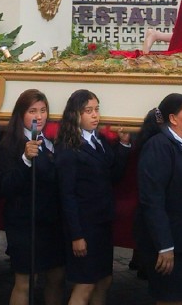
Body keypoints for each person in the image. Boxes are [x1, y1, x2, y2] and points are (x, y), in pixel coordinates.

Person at [135, 93, 182, 305]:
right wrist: (165, 246)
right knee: (173, 298)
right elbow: (152, 200)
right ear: (173, 118)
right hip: (174, 243)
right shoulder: (159, 146)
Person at [55, 89, 130, 305]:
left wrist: (124, 145)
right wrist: (76, 235)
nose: (95, 115)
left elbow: (112, 174)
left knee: (103, 280)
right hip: (84, 226)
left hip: (102, 223)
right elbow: (67, 194)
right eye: (88, 111)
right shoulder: (69, 148)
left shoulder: (98, 141)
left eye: (96, 110)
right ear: (76, 114)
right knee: (85, 284)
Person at [0, 89, 65, 305]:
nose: (39, 116)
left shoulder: (53, 141)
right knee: (25, 281)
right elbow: (5, 187)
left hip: (51, 222)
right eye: (32, 111)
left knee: (56, 277)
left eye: (43, 110)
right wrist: (25, 160)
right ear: (21, 114)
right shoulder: (10, 144)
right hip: (24, 222)